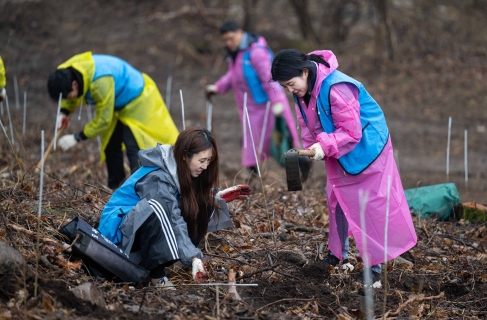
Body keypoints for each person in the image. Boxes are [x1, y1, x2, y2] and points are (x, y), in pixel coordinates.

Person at [271, 49, 417, 287]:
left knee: (367, 207)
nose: (290, 90)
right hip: (337, 149)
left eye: (290, 84)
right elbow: (307, 124)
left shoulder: (337, 87)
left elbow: (352, 131)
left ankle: (374, 269)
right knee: (336, 199)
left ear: (305, 72)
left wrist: (323, 146)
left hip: (367, 150)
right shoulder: (303, 91)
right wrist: (312, 149)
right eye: (285, 87)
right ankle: (338, 255)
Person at [98, 127, 251, 287]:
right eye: (201, 161)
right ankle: (157, 277)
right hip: (116, 240)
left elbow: (181, 201)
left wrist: (215, 198)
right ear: (185, 155)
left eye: (208, 161)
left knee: (198, 201)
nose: (205, 167)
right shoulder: (158, 177)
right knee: (158, 207)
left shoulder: (179, 170)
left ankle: (172, 262)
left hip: (135, 231)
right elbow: (171, 216)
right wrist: (192, 256)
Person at [47, 52, 179, 189]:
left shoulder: (100, 82)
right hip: (116, 102)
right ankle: (116, 187)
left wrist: (78, 137)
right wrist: (63, 112)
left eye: (68, 97)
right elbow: (71, 95)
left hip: (137, 99)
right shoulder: (65, 72)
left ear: (74, 84)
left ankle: (142, 188)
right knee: (110, 144)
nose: (69, 100)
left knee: (134, 144)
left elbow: (104, 120)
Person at [205, 21, 310, 178]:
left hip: (268, 109)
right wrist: (218, 87)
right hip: (251, 112)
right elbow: (233, 76)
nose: (228, 43)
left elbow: (270, 78)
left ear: (240, 33)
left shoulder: (256, 53)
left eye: (231, 38)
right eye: (225, 40)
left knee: (283, 145)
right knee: (251, 149)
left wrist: (278, 103)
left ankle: (302, 174)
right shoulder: (237, 55)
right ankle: (256, 187)